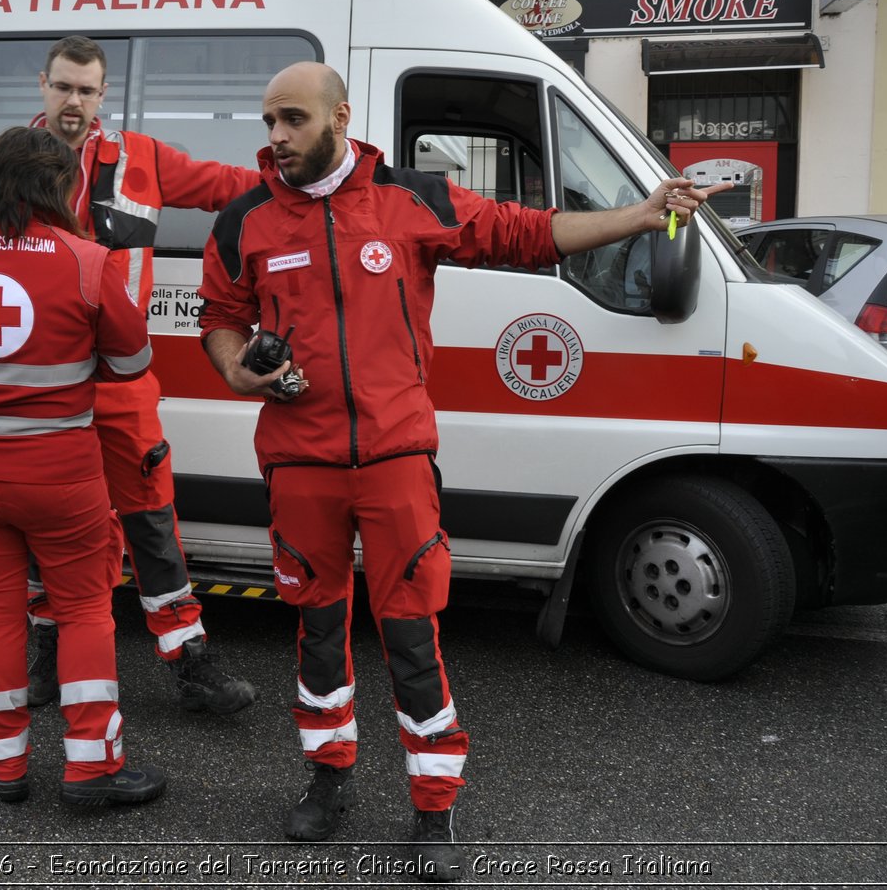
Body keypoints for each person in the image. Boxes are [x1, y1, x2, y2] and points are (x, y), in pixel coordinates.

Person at [197, 62, 731, 882]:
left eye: (293, 120)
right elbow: (221, 318)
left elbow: (531, 232)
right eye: (269, 121)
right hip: (299, 465)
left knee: (413, 635)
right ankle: (327, 777)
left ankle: (435, 806)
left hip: (395, 461)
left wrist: (641, 212)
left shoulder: (413, 200)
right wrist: (238, 372)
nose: (276, 138)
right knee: (315, 630)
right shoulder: (245, 222)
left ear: (340, 115)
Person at [0, 35, 259, 717]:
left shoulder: (142, 160)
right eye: (62, 87)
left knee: (150, 518)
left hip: (119, 382)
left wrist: (303, 180)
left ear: (103, 95)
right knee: (45, 530)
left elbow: (227, 186)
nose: (73, 102)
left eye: (86, 90)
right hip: (39, 386)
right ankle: (50, 653)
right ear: (42, 85)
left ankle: (190, 660)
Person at [0, 125, 168, 808]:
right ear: (59, 186)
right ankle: (92, 766)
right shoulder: (88, 261)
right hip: (60, 471)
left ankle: (4, 761)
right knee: (82, 610)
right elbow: (133, 363)